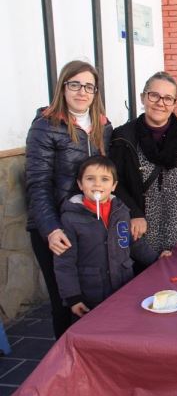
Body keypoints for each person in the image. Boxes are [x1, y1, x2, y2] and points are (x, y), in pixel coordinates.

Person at [25, 60, 113, 338]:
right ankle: (63, 370)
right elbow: (38, 184)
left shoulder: (103, 125)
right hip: (56, 229)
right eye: (74, 84)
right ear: (63, 87)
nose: (81, 91)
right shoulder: (45, 126)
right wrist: (51, 229)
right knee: (65, 302)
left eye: (89, 86)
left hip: (91, 223)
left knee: (95, 296)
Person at [110, 72, 177, 257]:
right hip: (141, 239)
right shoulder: (123, 137)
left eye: (168, 98)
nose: (161, 103)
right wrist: (134, 213)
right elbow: (115, 182)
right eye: (154, 95)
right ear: (143, 97)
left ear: (174, 103)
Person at [53, 156, 171, 319]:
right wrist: (73, 298)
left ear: (114, 185)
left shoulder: (121, 211)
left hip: (124, 287)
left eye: (105, 179)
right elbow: (65, 263)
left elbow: (134, 243)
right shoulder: (70, 219)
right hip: (91, 294)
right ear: (80, 184)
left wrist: (156, 259)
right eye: (90, 179)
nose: (97, 184)